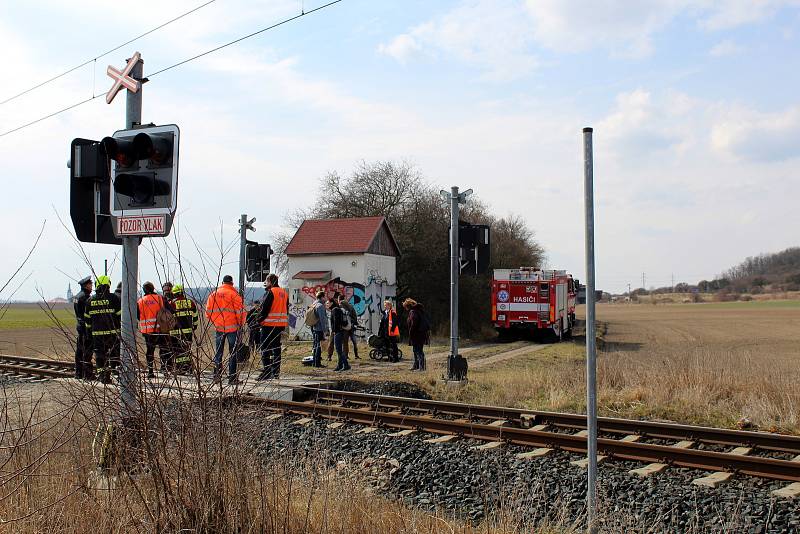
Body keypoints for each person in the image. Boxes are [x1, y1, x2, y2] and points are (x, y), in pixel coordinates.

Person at [205, 275, 245, 385]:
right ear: (231, 283)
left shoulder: (213, 295)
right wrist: (240, 325)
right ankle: (232, 378)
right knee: (233, 353)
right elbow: (240, 313)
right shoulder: (234, 295)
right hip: (232, 328)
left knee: (218, 353)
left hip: (219, 328)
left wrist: (216, 322)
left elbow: (208, 312)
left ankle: (216, 377)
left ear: (222, 282)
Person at [84, 275, 121, 384]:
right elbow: (120, 316)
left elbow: (87, 320)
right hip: (113, 334)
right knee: (115, 354)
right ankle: (117, 373)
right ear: (108, 285)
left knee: (100, 356)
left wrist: (89, 334)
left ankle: (103, 376)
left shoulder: (90, 300)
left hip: (97, 335)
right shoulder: (114, 298)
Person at [256, 274, 288, 380]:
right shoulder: (284, 293)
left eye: (266, 281)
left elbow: (264, 310)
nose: (265, 283)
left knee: (265, 348)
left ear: (270, 281)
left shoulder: (270, 292)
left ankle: (267, 371)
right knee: (276, 348)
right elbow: (286, 309)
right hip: (279, 325)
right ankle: (276, 372)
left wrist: (258, 321)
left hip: (268, 325)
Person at [137, 281, 166, 378]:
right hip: (160, 329)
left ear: (144, 290)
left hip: (147, 331)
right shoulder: (160, 298)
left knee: (150, 351)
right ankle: (164, 368)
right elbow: (168, 310)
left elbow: (137, 315)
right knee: (163, 349)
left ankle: (150, 371)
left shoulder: (140, 301)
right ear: (153, 288)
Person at [167, 284, 198, 375]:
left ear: (174, 293)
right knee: (187, 349)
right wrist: (194, 326)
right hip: (188, 331)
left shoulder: (171, 304)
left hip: (175, 331)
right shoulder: (190, 302)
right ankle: (188, 367)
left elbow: (168, 318)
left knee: (177, 350)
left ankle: (180, 368)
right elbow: (195, 316)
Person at [73, 276, 94, 379]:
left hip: (80, 326)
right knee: (87, 351)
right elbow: (88, 313)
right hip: (86, 327)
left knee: (80, 350)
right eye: (91, 284)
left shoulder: (77, 296)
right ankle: (87, 374)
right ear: (86, 285)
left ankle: (79, 373)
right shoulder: (85, 298)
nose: (92, 286)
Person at [404, 298, 430, 371]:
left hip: (416, 334)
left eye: (405, 307)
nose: (405, 309)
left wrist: (411, 332)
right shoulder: (419, 310)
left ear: (408, 306)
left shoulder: (413, 312)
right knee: (417, 350)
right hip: (422, 333)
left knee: (418, 350)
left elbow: (414, 323)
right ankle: (416, 365)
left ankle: (421, 367)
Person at [329, 297, 351, 372]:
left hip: (338, 332)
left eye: (328, 303)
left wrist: (334, 331)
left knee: (339, 350)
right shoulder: (336, 309)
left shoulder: (335, 310)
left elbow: (336, 321)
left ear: (331, 303)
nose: (327, 304)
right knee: (339, 349)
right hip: (339, 331)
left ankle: (346, 364)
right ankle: (340, 365)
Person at [337, 293, 360, 359]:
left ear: (339, 299)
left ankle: (346, 355)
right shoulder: (350, 306)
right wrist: (354, 322)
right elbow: (354, 315)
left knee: (345, 341)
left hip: (345, 326)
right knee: (354, 341)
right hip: (351, 326)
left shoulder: (339, 306)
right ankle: (356, 355)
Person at [310, 291, 329, 368]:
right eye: (325, 296)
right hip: (319, 329)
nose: (326, 298)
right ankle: (317, 363)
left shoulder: (314, 304)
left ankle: (314, 362)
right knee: (318, 346)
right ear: (322, 297)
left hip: (314, 328)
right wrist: (325, 330)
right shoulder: (320, 306)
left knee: (315, 345)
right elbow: (322, 319)